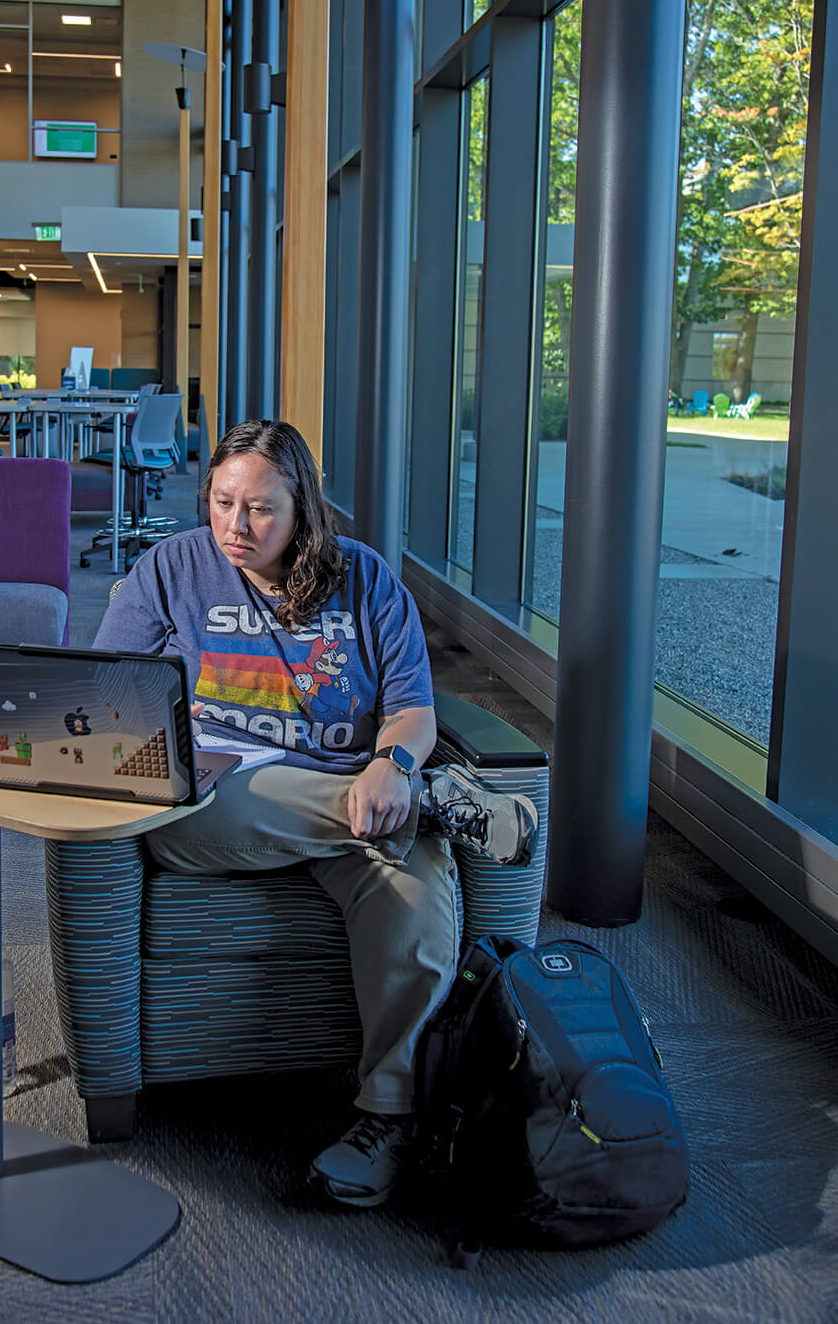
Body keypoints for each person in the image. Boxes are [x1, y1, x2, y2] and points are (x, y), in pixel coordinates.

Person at [93, 418, 537, 1207]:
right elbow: (109, 688)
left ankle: (388, 1118)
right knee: (194, 814)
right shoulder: (171, 568)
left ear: (303, 508)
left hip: (356, 793)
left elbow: (411, 711)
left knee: (415, 899)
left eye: (259, 508)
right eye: (221, 501)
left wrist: (393, 766)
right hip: (224, 798)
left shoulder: (364, 581)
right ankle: (435, 808)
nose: (234, 525)